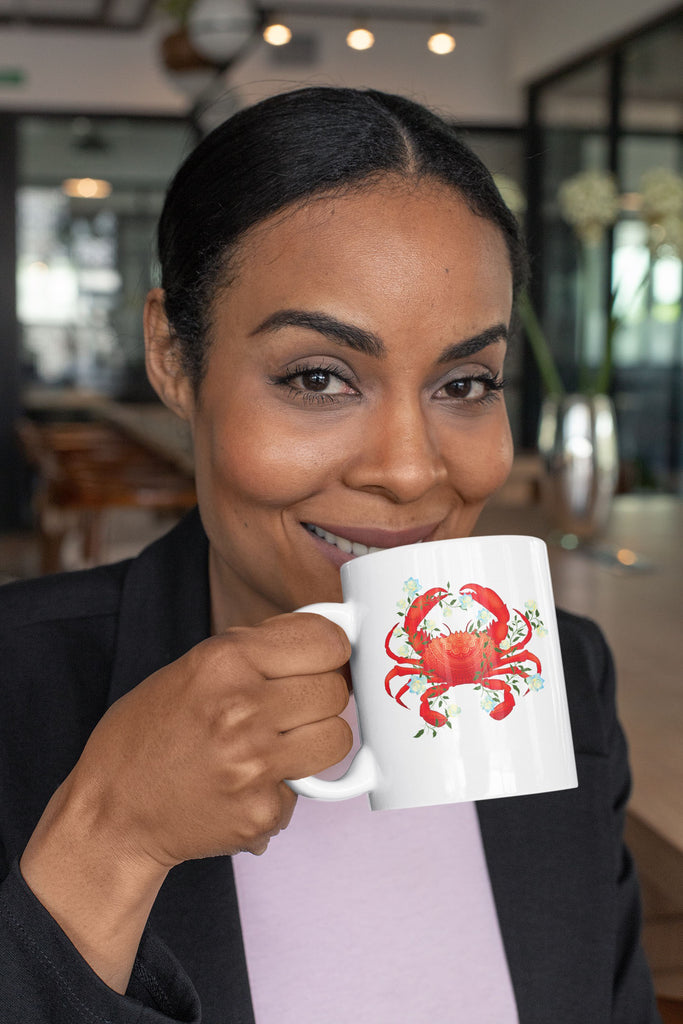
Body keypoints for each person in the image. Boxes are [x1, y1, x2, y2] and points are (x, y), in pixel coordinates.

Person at [0, 87, 659, 1024]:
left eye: (465, 382)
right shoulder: (18, 684)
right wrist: (112, 838)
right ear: (171, 357)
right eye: (318, 377)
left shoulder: (565, 670)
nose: (407, 469)